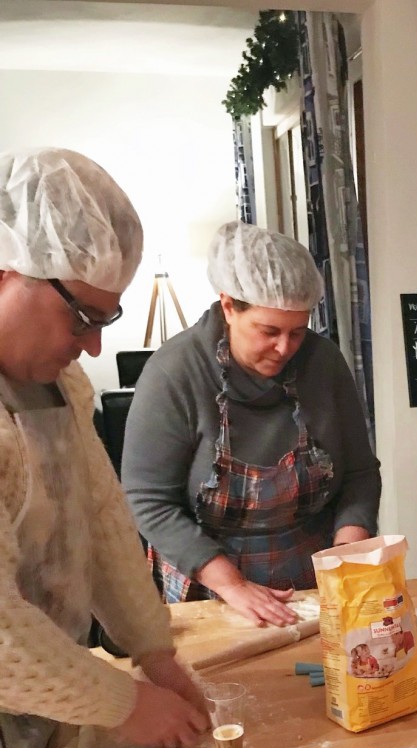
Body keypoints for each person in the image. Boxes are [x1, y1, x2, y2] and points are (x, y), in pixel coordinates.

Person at [0, 148, 208, 748]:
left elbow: (105, 523)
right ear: (9, 270)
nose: (91, 347)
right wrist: (125, 703)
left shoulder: (58, 387)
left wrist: (153, 653)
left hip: (41, 699)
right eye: (81, 316)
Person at [122, 221, 381, 629]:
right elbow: (148, 501)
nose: (284, 348)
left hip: (310, 572)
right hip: (206, 578)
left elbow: (361, 473)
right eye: (269, 331)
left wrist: (347, 550)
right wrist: (232, 584)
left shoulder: (323, 363)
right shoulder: (175, 372)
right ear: (228, 306)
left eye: (298, 331)